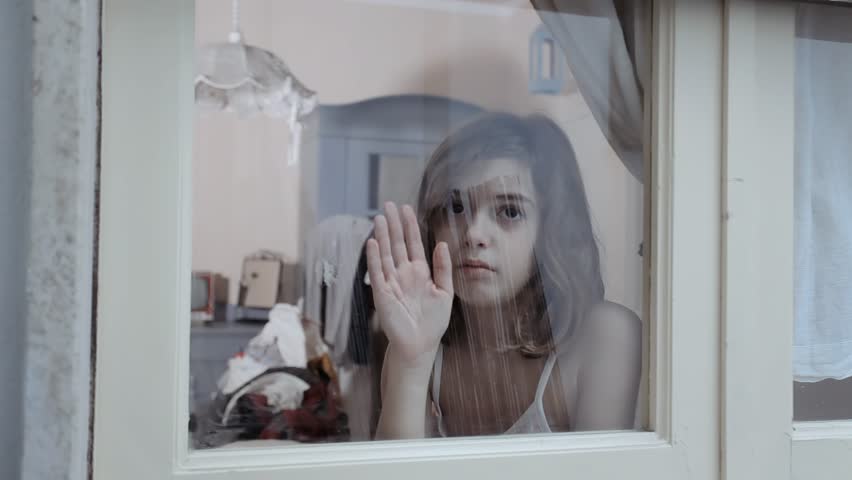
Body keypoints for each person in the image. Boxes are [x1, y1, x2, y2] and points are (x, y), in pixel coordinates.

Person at [365, 112, 641, 439]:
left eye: (509, 211)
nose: (473, 233)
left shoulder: (605, 336)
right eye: (455, 208)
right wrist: (412, 362)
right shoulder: (415, 339)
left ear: (550, 231)